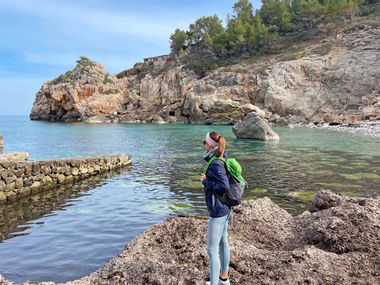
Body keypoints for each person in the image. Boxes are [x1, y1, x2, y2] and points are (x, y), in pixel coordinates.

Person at [200, 131, 231, 285]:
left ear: (210, 145)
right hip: (225, 207)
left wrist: (206, 182)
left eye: (204, 142)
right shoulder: (222, 156)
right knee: (223, 242)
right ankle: (224, 279)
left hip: (218, 211)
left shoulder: (215, 163)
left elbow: (224, 187)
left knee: (212, 251)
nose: (203, 145)